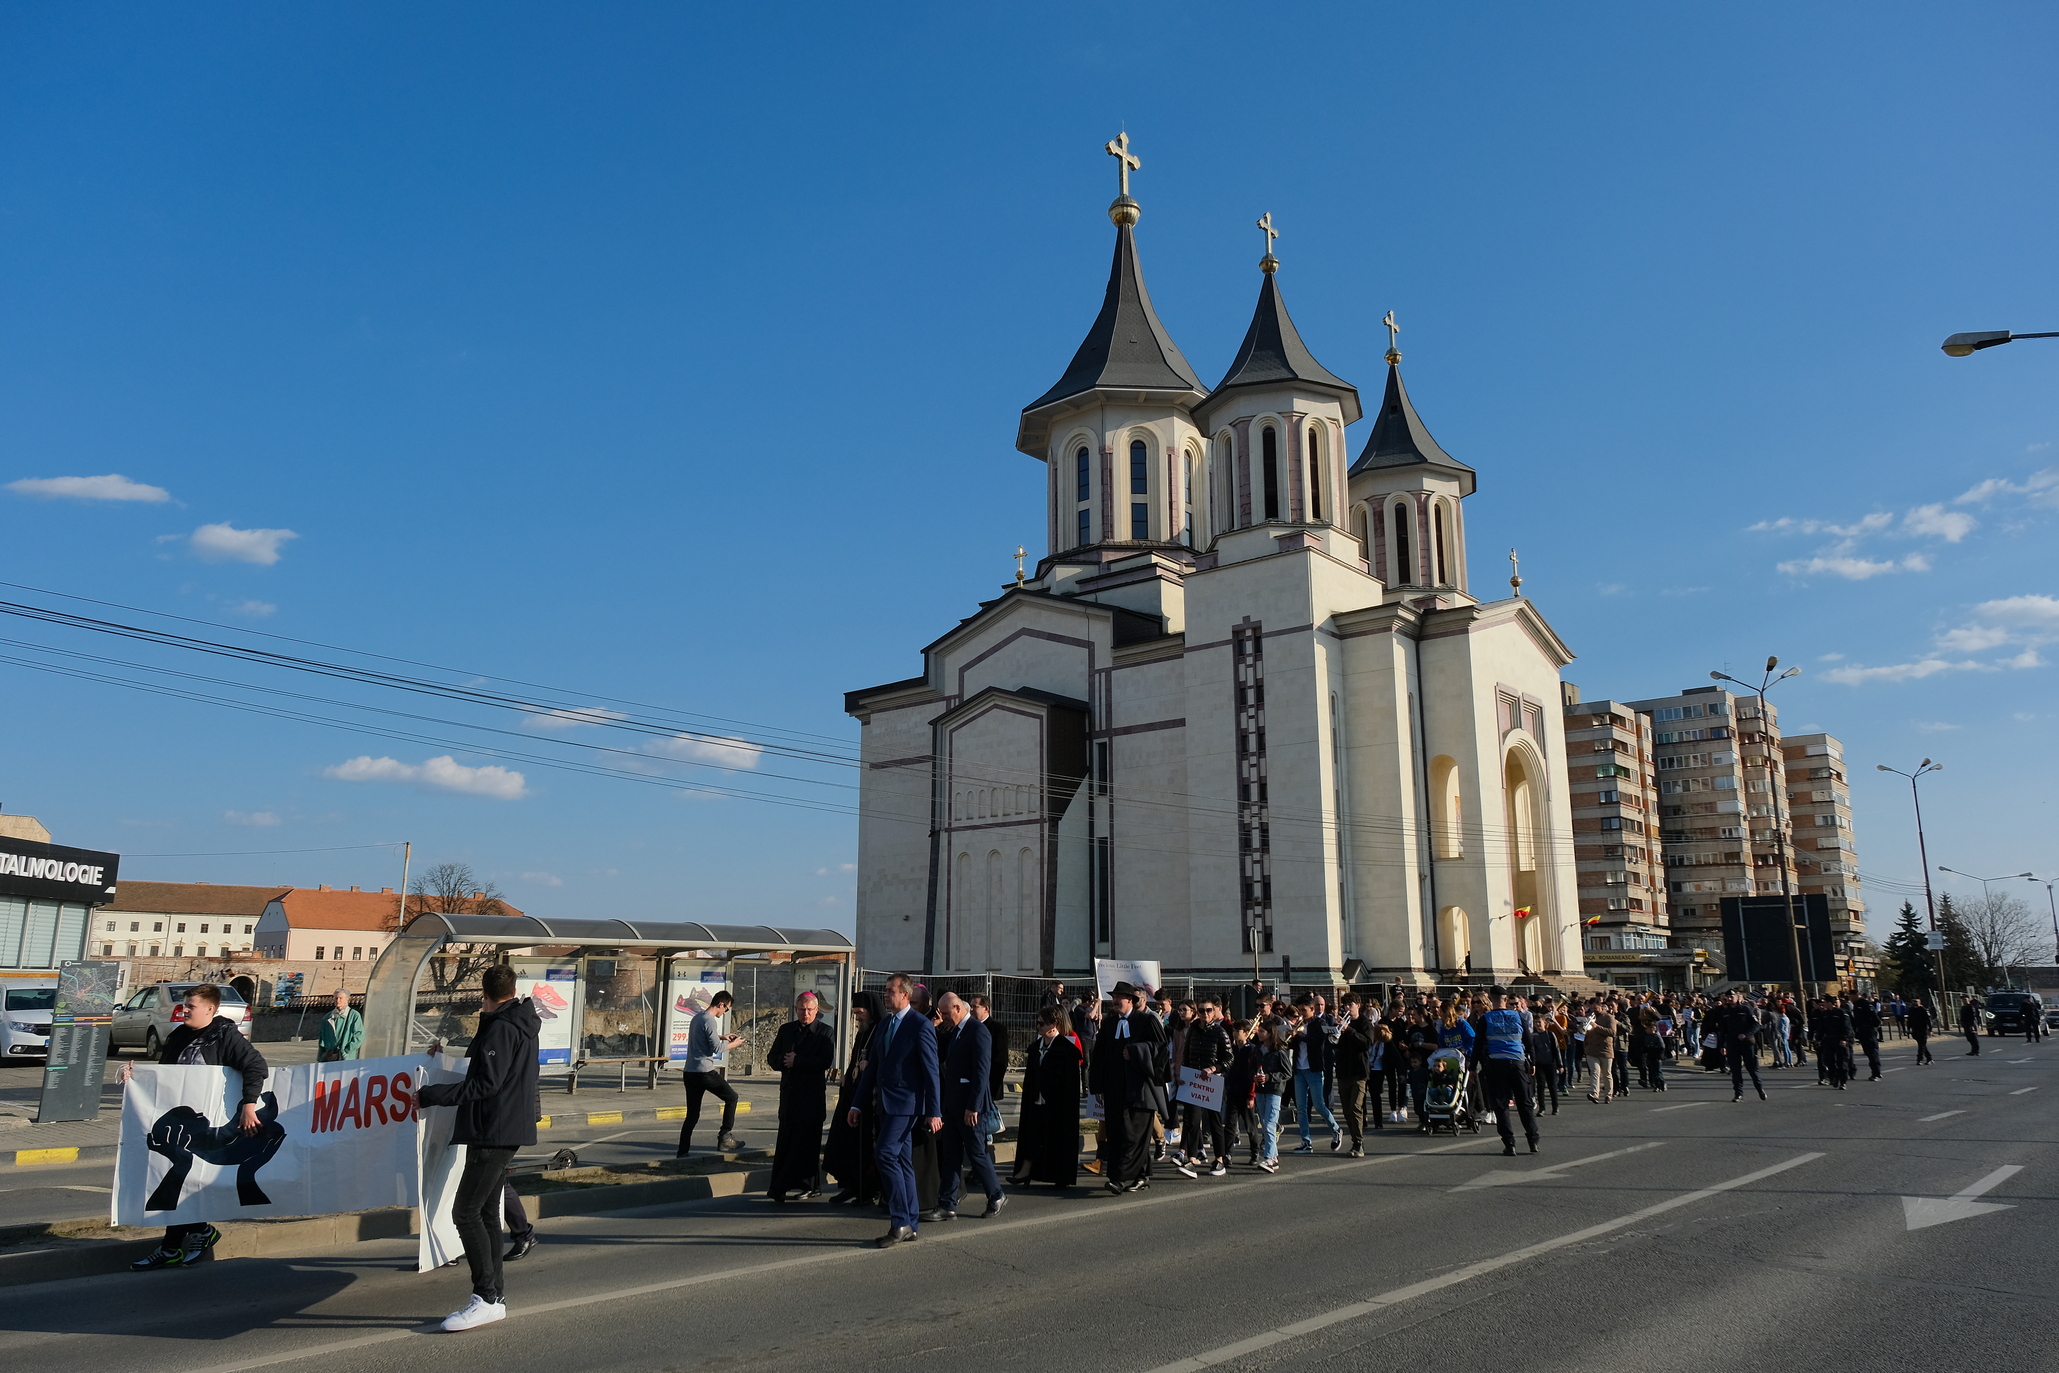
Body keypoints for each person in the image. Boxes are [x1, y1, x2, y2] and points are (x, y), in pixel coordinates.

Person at [416, 964, 543, 1333]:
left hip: (494, 1129)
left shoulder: (502, 1027)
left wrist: (431, 1095)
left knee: (465, 1211)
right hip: (501, 1127)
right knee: (486, 1211)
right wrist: (443, 1057)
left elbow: (485, 1083)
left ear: (484, 994)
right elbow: (483, 1067)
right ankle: (493, 1297)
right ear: (512, 990)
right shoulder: (516, 1022)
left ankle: (485, 1297)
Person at [122, 984, 272, 1271]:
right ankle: (197, 1233)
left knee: (183, 1179)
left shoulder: (225, 1035)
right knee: (174, 1178)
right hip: (180, 1122)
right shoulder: (178, 1036)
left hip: (212, 1124)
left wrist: (249, 1104)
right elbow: (164, 1075)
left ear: (210, 1009)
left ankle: (176, 1245)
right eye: (184, 1005)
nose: (184, 1010)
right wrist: (137, 1076)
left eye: (191, 1006)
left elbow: (256, 1066)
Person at [849, 972, 941, 1247]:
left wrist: (934, 1110)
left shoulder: (920, 1025)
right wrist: (857, 1103)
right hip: (885, 1103)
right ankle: (911, 1223)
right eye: (886, 990)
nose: (886, 995)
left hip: (906, 1104)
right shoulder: (886, 1024)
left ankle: (900, 1221)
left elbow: (931, 1071)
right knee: (901, 1161)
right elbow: (873, 1068)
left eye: (891, 991)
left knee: (885, 1154)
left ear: (905, 995)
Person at [1088, 983, 1167, 1193]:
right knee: (1116, 1134)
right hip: (1114, 1089)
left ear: (1130, 1000)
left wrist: (1136, 1052)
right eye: (1114, 997)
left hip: (1140, 1090)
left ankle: (1119, 1178)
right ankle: (1141, 1176)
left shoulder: (1147, 1021)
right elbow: (1099, 1055)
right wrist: (1097, 1086)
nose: (1115, 1001)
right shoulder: (1109, 1023)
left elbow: (1161, 1050)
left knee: (1134, 1136)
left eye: (1119, 997)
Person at [932, 994, 1004, 1220]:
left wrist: (974, 1106)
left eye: (945, 1013)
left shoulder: (977, 1030)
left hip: (970, 1108)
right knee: (951, 1156)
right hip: (952, 1105)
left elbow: (981, 1072)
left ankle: (996, 1195)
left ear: (957, 1008)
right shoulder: (956, 1031)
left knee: (976, 1153)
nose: (943, 1017)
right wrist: (934, 1028)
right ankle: (947, 1204)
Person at [765, 992, 836, 1203]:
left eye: (809, 1010)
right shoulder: (786, 1030)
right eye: (801, 1010)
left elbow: (825, 1061)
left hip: (811, 1098)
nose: (805, 1014)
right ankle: (780, 1186)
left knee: (807, 1145)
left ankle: (809, 1186)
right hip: (790, 1096)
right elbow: (772, 1057)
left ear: (817, 1010)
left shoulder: (825, 1032)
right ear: (796, 1010)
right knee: (786, 1144)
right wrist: (784, 1061)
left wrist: (799, 1061)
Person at [823, 990, 886, 1205]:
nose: (858, 1017)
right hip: (854, 1092)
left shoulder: (881, 1029)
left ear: (870, 1010)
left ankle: (868, 1189)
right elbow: (855, 1057)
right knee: (843, 1140)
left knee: (866, 1145)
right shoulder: (863, 1031)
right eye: (855, 1013)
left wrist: (870, 1066)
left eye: (860, 1013)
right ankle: (850, 1184)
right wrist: (848, 1075)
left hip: (871, 1097)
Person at [1010, 1005, 1081, 1188]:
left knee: (1056, 1138)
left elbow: (1070, 1083)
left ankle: (1060, 1175)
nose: (1038, 1027)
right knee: (1032, 1135)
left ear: (1054, 1024)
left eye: (1042, 1023)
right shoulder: (1036, 1048)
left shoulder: (1067, 1049)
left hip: (1057, 1104)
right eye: (1037, 1023)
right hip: (1036, 1101)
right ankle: (1025, 1171)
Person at [677, 991, 744, 1156]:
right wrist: (735, 1044)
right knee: (732, 1097)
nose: (725, 1012)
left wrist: (722, 1037)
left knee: (692, 1115)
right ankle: (725, 1137)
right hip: (704, 1072)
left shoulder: (698, 1017)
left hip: (690, 1072)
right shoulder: (710, 1020)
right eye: (726, 1009)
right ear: (721, 1004)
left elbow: (704, 1037)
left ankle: (682, 1152)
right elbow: (717, 1048)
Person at [1475, 986, 1539, 1156]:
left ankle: (1509, 1143)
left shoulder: (1485, 1019)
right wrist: (1532, 1062)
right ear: (1505, 999)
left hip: (1497, 1065)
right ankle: (1533, 1141)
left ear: (1490, 999)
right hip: (1518, 1063)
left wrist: (1472, 1067)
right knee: (1525, 1103)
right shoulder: (1518, 1016)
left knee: (1501, 1105)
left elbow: (1478, 1045)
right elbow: (1528, 1041)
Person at [1287, 1000, 1342, 1153]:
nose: (1301, 1014)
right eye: (1299, 1010)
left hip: (1314, 1069)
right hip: (1299, 1069)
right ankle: (1306, 1141)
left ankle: (1336, 1129)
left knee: (1319, 1105)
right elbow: (1292, 1045)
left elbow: (1318, 1042)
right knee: (1301, 1108)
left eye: (1303, 1010)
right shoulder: (1299, 1025)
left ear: (1312, 1009)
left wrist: (1299, 1035)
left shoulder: (1319, 1023)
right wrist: (1291, 1036)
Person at [1334, 998, 1377, 1157]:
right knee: (1346, 1111)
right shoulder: (1341, 1023)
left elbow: (1367, 1043)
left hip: (1359, 1072)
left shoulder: (1365, 1023)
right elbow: (1334, 1044)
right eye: (1345, 1005)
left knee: (1356, 1108)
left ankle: (1359, 1143)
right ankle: (1354, 1141)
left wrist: (1348, 1029)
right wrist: (1335, 1032)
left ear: (1358, 1005)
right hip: (1343, 1071)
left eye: (1350, 1004)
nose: (1347, 1007)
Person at [1251, 1018, 1292, 1172]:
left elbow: (1287, 1073)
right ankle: (1274, 1158)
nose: (1258, 1033)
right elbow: (1252, 1067)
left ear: (1269, 1033)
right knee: (1265, 1123)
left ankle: (1269, 1158)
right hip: (1260, 1091)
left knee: (1269, 1124)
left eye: (1262, 1031)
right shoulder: (1258, 1049)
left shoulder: (1279, 1051)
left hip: (1274, 1091)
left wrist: (1269, 1077)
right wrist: (1254, 1076)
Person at [1712, 990, 1766, 1102]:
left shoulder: (1745, 1010)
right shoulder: (1725, 1012)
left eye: (1731, 996)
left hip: (1747, 1044)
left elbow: (1756, 1025)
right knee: (1735, 1070)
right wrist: (1722, 1046)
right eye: (1727, 997)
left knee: (1752, 1069)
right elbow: (1722, 1030)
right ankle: (1738, 1094)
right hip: (1732, 1044)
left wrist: (1746, 1034)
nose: (1729, 999)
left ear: (1737, 997)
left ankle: (1759, 1088)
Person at [969, 995, 1009, 1144]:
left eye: (975, 1006)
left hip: (988, 1084)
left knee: (985, 1126)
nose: (971, 1010)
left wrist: (992, 1087)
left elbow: (1000, 1060)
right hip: (971, 1083)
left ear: (986, 1008)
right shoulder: (969, 1027)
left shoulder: (997, 1029)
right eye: (970, 1006)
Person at [1582, 1002, 1616, 1104]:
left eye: (1595, 1008)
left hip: (1605, 1050)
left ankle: (1608, 1094)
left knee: (1606, 1073)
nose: (1593, 1011)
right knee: (1594, 1072)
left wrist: (1597, 1027)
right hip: (1591, 1050)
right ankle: (1594, 1094)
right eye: (1592, 1008)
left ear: (1601, 1007)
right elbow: (1584, 1031)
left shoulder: (1609, 1017)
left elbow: (1612, 1032)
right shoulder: (1589, 1017)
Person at [316, 988, 363, 1062]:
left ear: (347, 1000)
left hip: (346, 1058)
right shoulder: (327, 1017)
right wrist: (321, 1056)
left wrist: (346, 1051)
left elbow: (359, 1036)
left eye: (340, 998)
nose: (338, 1000)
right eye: (336, 998)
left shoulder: (354, 1015)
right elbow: (322, 1038)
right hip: (330, 1056)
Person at [1851, 995, 1883, 1082]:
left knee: (1872, 1052)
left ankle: (1876, 1073)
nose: (1850, 998)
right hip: (1862, 1031)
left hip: (1869, 1031)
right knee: (1868, 1052)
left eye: (1851, 996)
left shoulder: (1865, 1004)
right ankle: (1876, 1071)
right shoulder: (1856, 1004)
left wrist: (1873, 1027)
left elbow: (1875, 1018)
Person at [1908, 997, 1934, 1065]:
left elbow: (1929, 1020)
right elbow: (1909, 1020)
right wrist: (1908, 1029)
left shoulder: (1923, 1010)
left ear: (1919, 1002)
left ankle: (1920, 1059)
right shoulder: (1911, 1010)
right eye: (1913, 1001)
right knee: (1921, 1044)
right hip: (1915, 1029)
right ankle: (1929, 1058)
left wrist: (1930, 1030)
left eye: (1916, 1001)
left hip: (1923, 1029)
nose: (1914, 1003)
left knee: (1921, 1044)